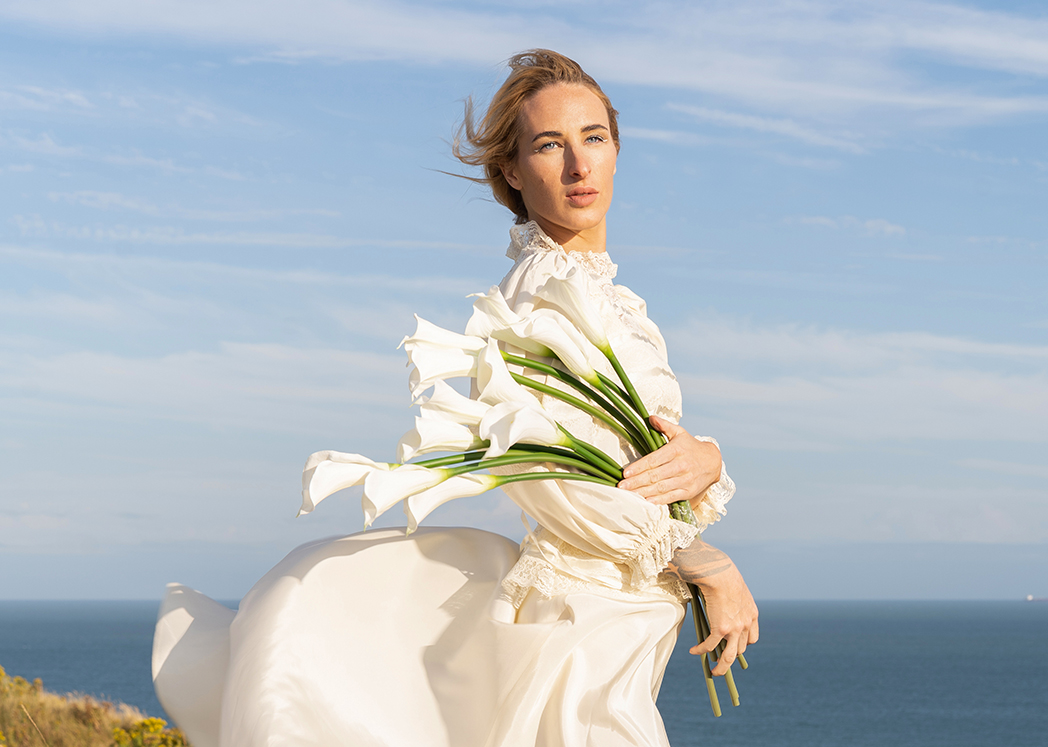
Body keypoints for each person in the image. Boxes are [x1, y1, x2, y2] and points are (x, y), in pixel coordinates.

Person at [151, 49, 758, 747]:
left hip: (625, 623)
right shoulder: (529, 303)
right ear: (511, 171)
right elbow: (566, 482)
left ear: (618, 148)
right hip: (579, 632)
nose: (578, 166)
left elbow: (637, 447)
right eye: (548, 146)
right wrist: (707, 562)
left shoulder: (611, 298)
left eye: (593, 138)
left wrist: (706, 459)